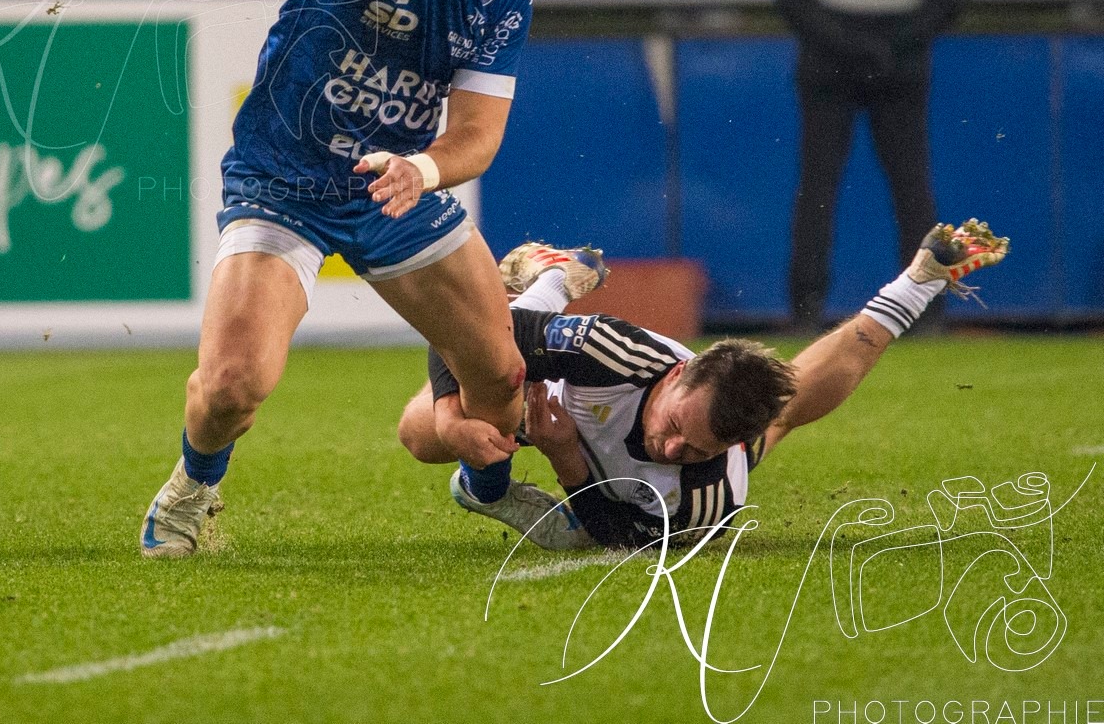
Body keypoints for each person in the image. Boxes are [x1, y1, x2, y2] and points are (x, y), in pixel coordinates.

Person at [137, 0, 556, 558]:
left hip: (390, 190)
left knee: (498, 376)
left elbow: (477, 135)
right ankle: (192, 489)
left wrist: (422, 169)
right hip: (282, 182)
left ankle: (487, 489)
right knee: (232, 385)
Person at [398, 220, 1008, 550]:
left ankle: (922, 278)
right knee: (425, 434)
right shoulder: (614, 354)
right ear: (680, 372)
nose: (671, 450)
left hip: (577, 447)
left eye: (695, 450)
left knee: (785, 407)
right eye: (674, 427)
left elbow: (626, 539)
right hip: (555, 389)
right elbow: (473, 328)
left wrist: (566, 460)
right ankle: (558, 279)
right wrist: (452, 416)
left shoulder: (710, 494)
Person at [775, 0, 969, 332]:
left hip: (827, 66)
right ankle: (929, 309)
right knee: (913, 187)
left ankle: (806, 309)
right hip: (904, 67)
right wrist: (900, 42)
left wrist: (846, 42)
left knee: (817, 188)